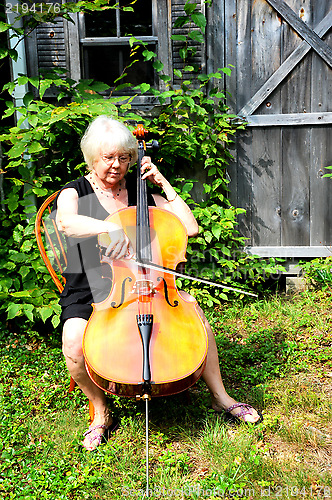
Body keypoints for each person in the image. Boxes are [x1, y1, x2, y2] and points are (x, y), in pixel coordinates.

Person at [54, 116, 261, 451]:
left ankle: (220, 396)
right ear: (92, 159)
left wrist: (164, 184)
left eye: (123, 158)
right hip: (92, 285)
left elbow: (189, 227)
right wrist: (108, 228)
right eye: (108, 158)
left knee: (192, 312)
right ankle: (101, 411)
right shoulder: (75, 191)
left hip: (148, 281)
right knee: (74, 340)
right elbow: (66, 222)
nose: (117, 166)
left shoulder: (141, 190)